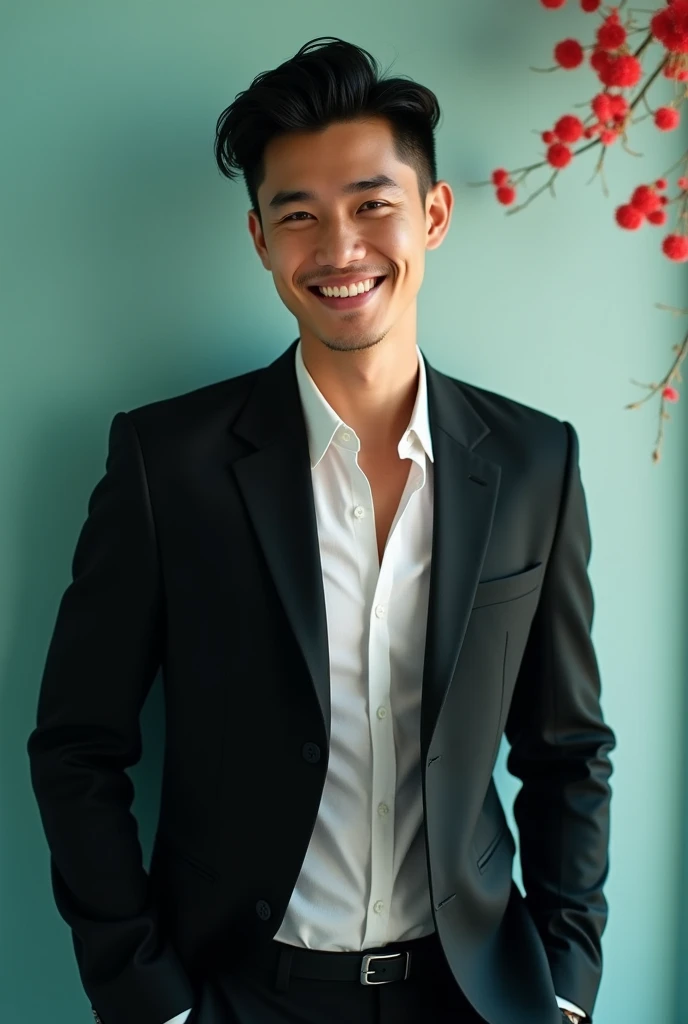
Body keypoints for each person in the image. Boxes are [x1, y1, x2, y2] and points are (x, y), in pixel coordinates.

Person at [27, 36, 615, 1024]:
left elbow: (568, 748)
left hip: (473, 991)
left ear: (431, 216)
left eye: (371, 205)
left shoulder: (532, 461)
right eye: (298, 215)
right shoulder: (164, 461)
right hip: (240, 991)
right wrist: (147, 997)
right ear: (259, 238)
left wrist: (564, 987)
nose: (338, 248)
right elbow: (78, 745)